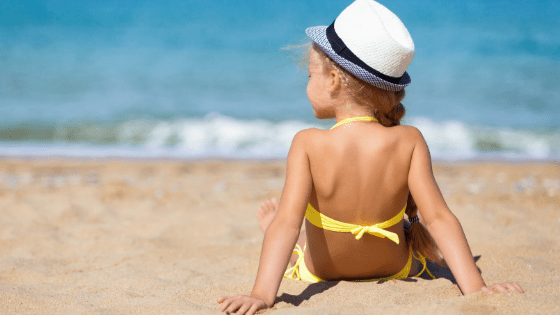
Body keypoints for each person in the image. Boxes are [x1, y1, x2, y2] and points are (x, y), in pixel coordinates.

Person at [217, 1, 523, 314]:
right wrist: (476, 288)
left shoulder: (307, 143)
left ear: (334, 80)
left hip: (323, 270)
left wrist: (261, 295)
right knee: (416, 243)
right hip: (395, 266)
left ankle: (290, 248)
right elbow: (438, 218)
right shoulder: (409, 140)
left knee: (294, 243)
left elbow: (288, 222)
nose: (307, 85)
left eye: (310, 75)